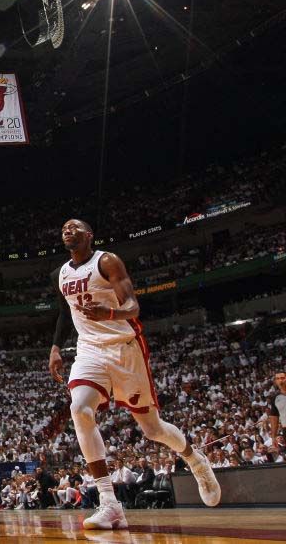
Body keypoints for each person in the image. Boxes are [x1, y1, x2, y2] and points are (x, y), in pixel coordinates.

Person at [48, 219, 221, 529]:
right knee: (79, 409)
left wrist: (110, 313)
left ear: (90, 234)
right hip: (89, 350)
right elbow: (65, 312)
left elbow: (133, 306)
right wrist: (56, 347)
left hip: (124, 347)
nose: (68, 229)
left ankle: (194, 459)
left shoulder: (107, 261)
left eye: (75, 227)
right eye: (64, 228)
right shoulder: (61, 274)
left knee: (152, 430)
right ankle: (109, 503)